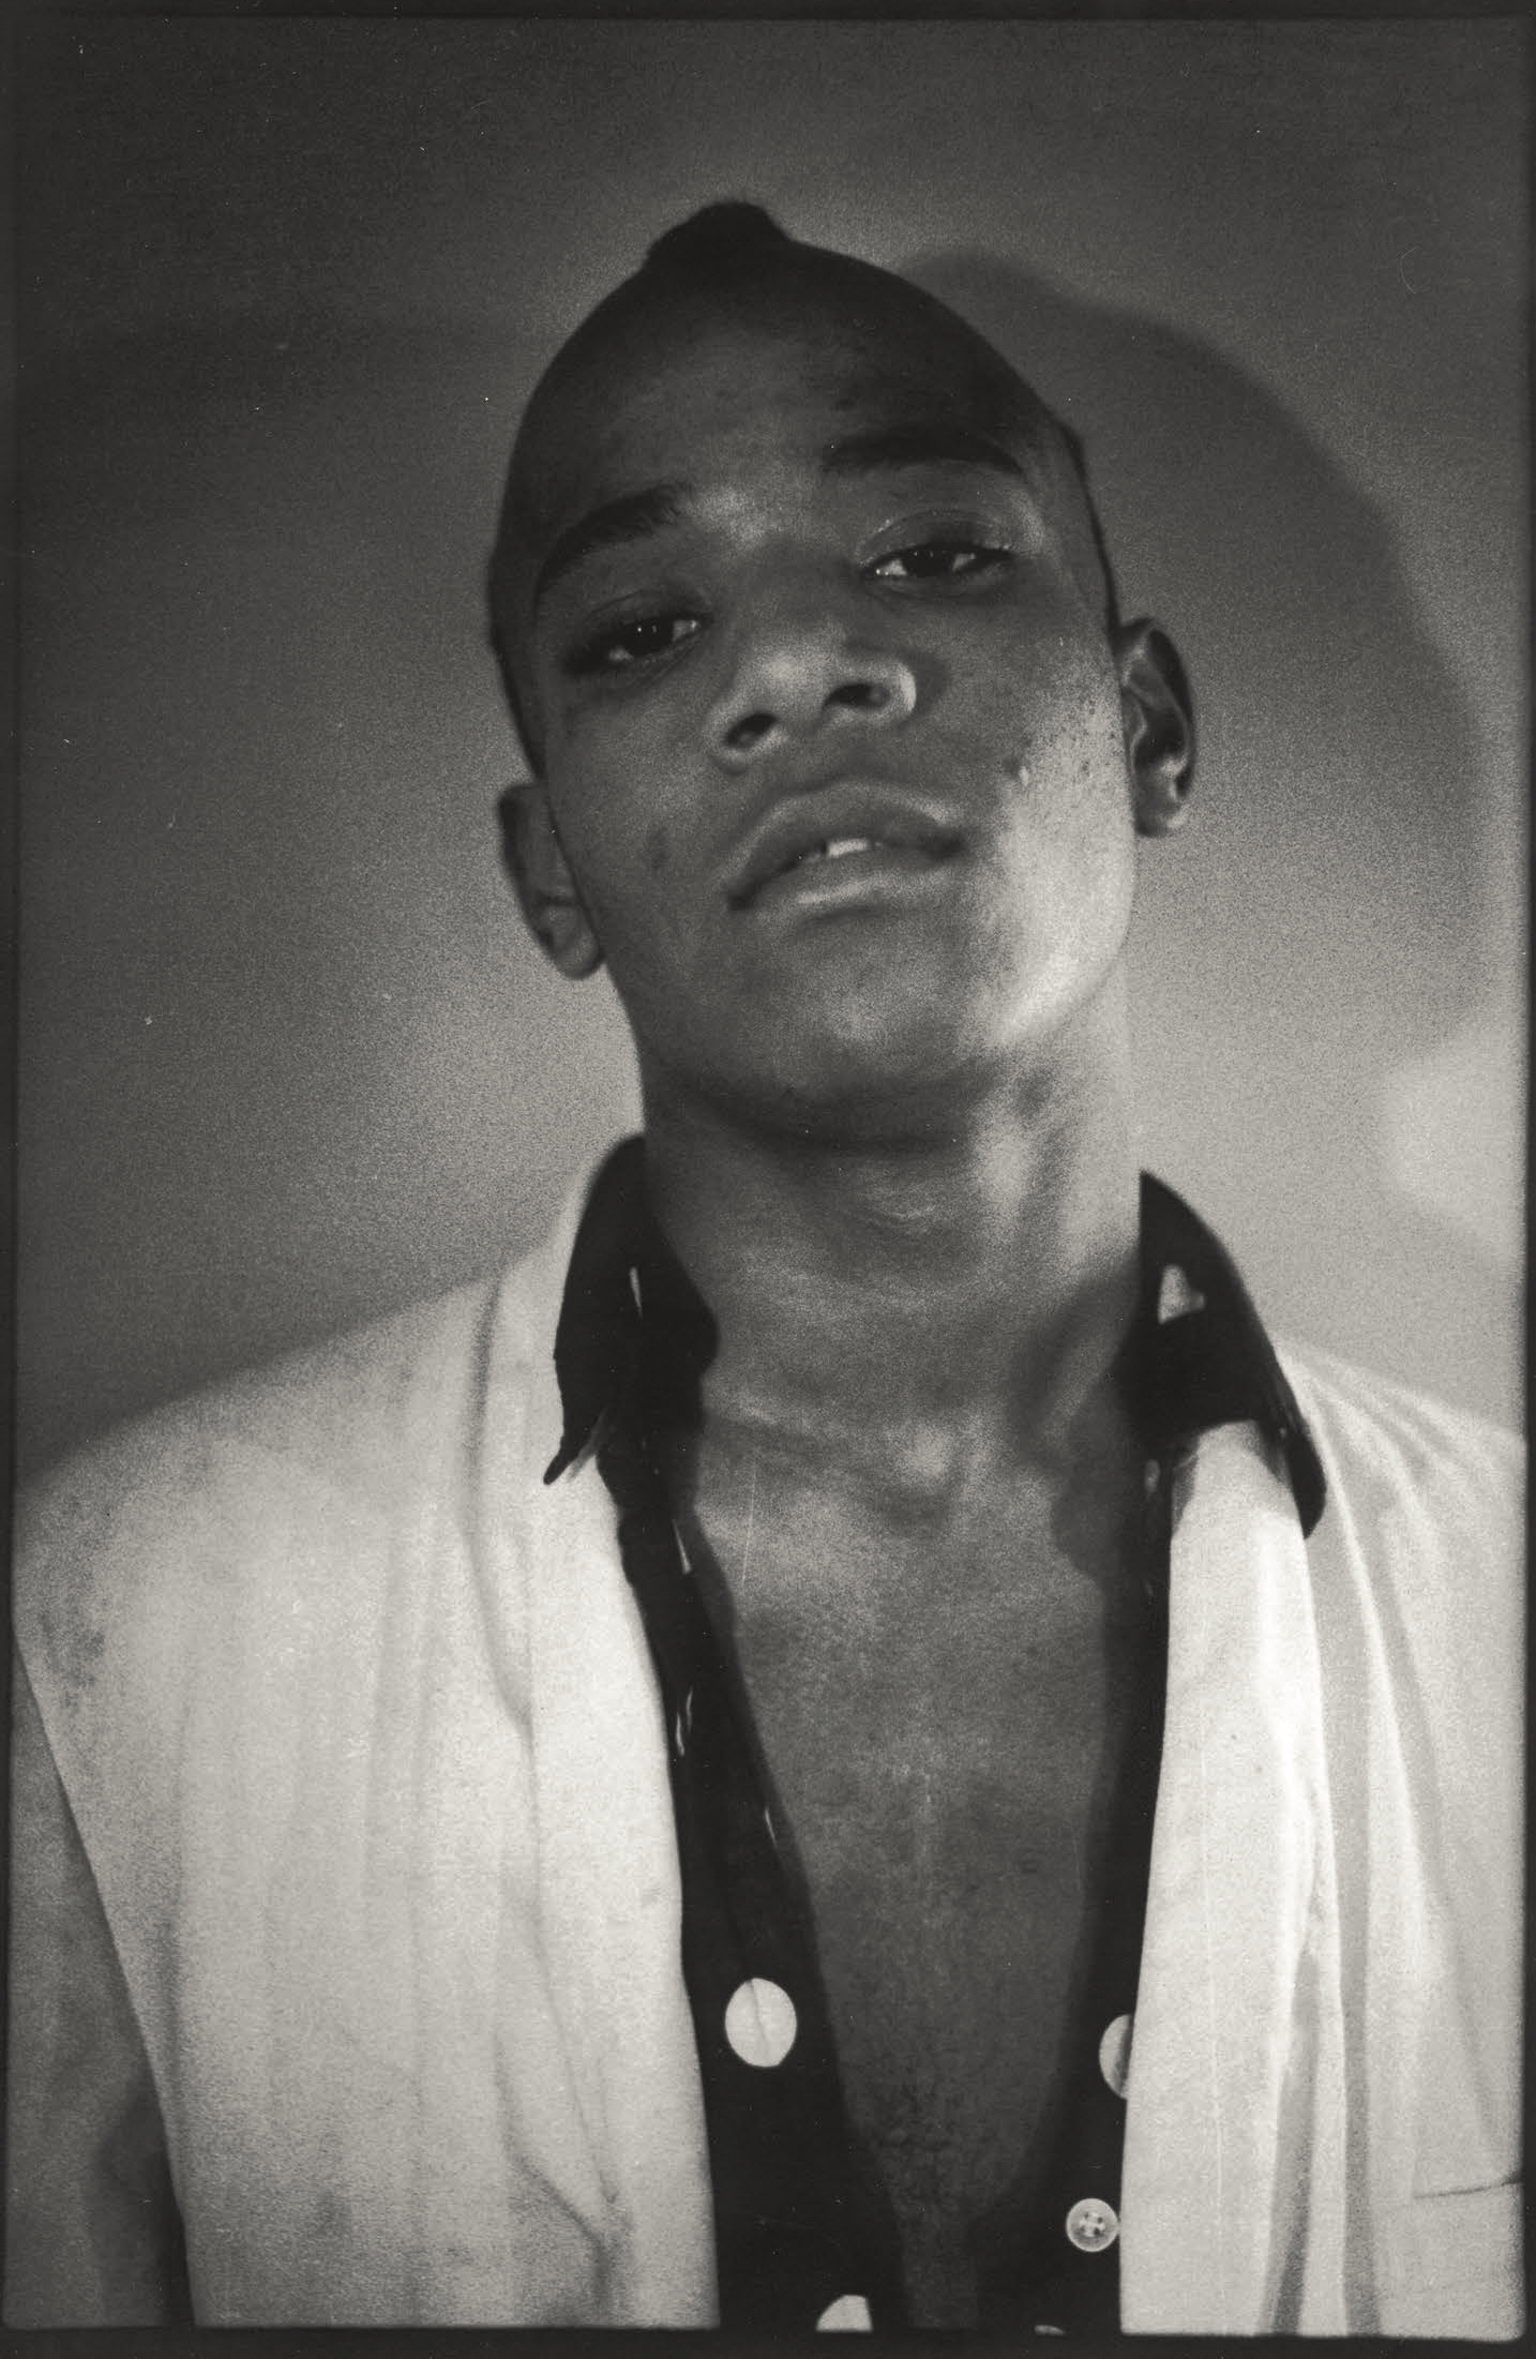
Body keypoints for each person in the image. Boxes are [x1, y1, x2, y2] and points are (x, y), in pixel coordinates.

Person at [7, 202, 1521, 2337]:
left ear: (1151, 725)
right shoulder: (107, 1642)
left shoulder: (1508, 1616)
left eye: (926, 554)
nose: (800, 666)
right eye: (639, 627)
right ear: (552, 874)